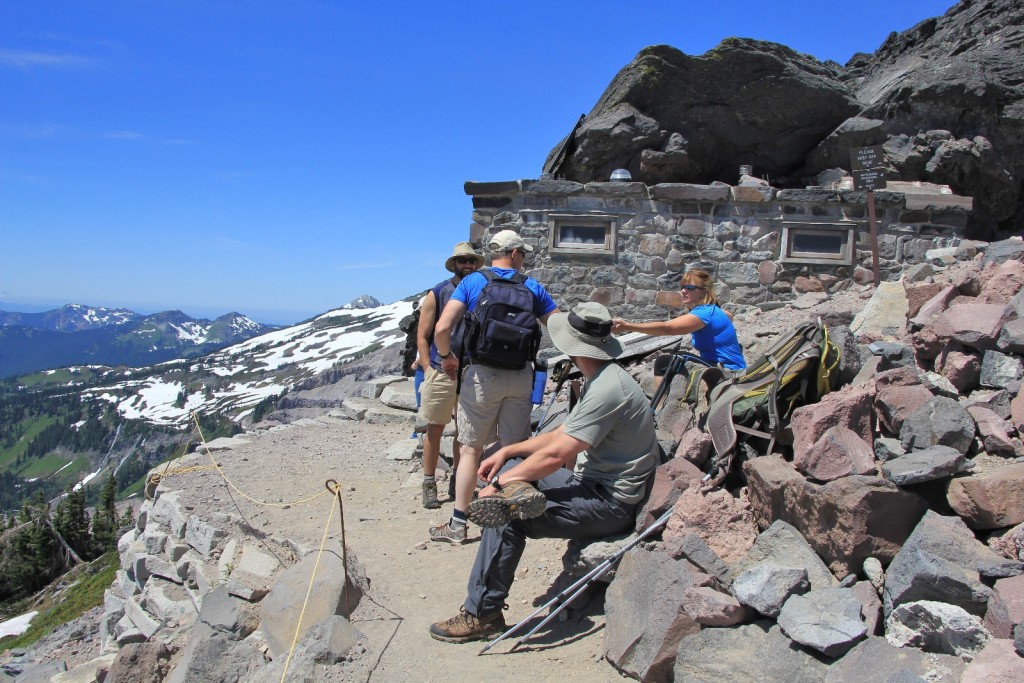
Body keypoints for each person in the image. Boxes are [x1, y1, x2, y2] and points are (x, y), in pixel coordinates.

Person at [429, 302, 658, 642]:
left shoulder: (608, 389)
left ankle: (483, 614)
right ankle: (519, 494)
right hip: (592, 485)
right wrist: (509, 451)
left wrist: (504, 483)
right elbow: (562, 434)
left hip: (610, 503)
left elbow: (558, 453)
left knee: (506, 515)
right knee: (508, 469)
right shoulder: (605, 377)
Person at [429, 230, 559, 544]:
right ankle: (509, 519)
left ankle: (458, 524)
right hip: (520, 374)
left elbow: (443, 328)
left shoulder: (474, 282)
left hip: (481, 375)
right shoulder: (532, 287)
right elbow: (558, 325)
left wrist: (447, 358)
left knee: (470, 448)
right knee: (513, 445)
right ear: (514, 254)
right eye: (523, 254)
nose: (524, 259)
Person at [415, 242, 484, 509]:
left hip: (469, 369)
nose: (468, 265)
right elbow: (423, 335)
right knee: (435, 428)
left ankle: (458, 478)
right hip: (440, 369)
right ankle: (429, 482)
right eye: (463, 261)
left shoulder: (478, 291)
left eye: (471, 261)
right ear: (454, 263)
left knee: (465, 431)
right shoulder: (438, 292)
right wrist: (427, 367)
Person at [612, 268, 746, 399]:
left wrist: (627, 326)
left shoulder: (704, 313)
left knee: (663, 361)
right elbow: (730, 315)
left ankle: (658, 411)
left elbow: (667, 328)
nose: (683, 291)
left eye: (690, 288)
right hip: (729, 367)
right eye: (683, 286)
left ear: (704, 292)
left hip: (727, 371)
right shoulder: (713, 310)